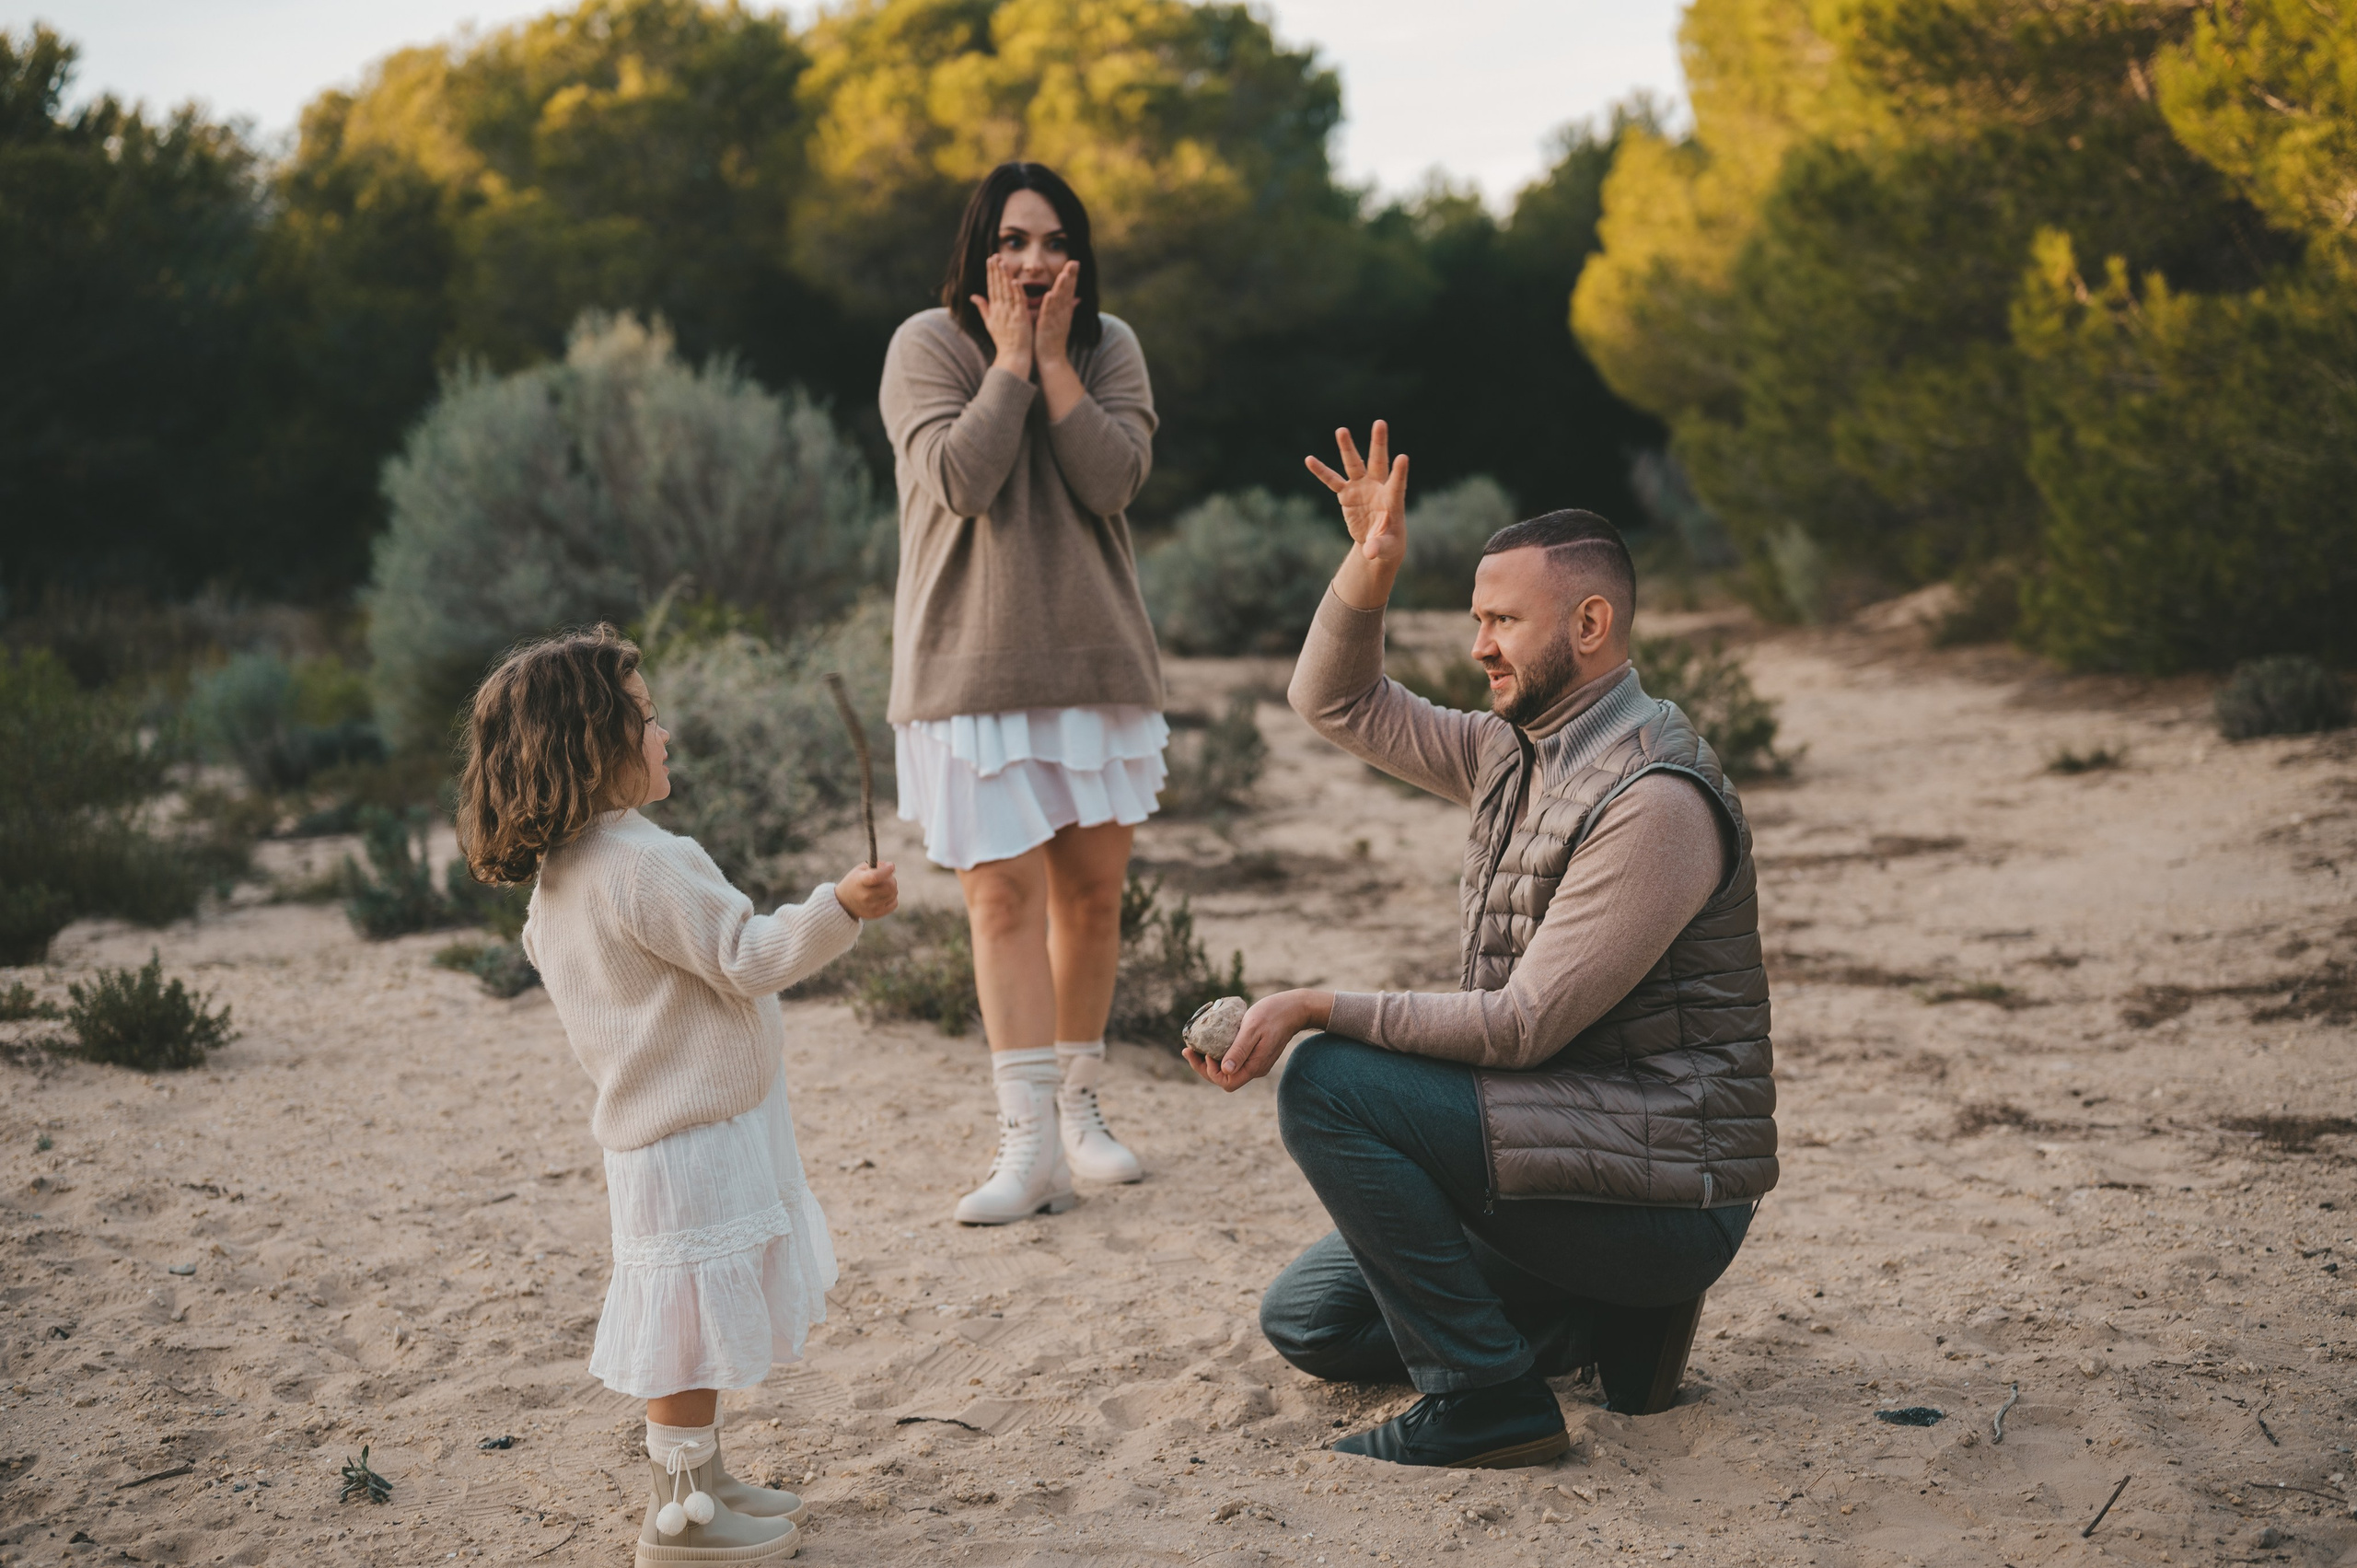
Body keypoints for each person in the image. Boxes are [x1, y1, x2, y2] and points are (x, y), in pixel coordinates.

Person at [1185, 424, 1776, 1469]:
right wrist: (1367, 571)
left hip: (1660, 1189)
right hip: (1552, 1142)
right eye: (1476, 619)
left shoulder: (1657, 799)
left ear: (1590, 623)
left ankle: (1489, 1398)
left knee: (1326, 1080)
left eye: (1502, 618)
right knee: (1312, 1321)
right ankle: (1603, 1323)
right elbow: (1334, 700)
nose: (1479, 646)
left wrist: (1313, 1003)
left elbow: (1524, 1022)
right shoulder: (1512, 750)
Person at [459, 625, 900, 1565]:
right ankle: (680, 1516)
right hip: (694, 1130)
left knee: (685, 1314)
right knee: (685, 1318)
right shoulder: (644, 861)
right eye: (647, 718)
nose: (665, 735)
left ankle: (700, 1479)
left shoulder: (559, 881)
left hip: (650, 1135)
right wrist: (840, 907)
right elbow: (745, 958)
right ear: (594, 743)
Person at [879, 161, 1166, 1225]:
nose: (1033, 260)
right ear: (978, 251)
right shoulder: (925, 345)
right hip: (969, 668)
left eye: (1052, 240)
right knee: (1000, 901)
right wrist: (1006, 360)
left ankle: (1080, 1108)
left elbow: (1112, 482)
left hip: (1094, 662)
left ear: (1077, 255)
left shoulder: (1110, 346)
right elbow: (960, 479)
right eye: (1012, 240)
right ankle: (1028, 1141)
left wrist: (1054, 364)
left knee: (1091, 899)